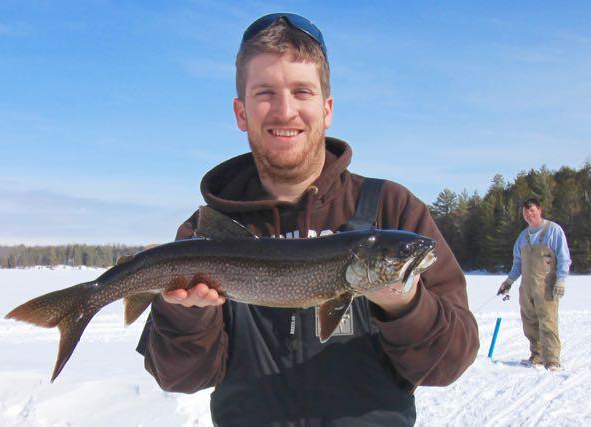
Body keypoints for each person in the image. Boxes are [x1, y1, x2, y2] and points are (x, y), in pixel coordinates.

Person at [139, 13, 479, 426]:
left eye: (302, 91)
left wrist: (404, 304)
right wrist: (187, 314)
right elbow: (180, 377)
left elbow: (449, 364)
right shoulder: (206, 232)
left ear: (327, 107)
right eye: (265, 93)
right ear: (241, 112)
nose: (285, 111)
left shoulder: (393, 209)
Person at [497, 197, 571, 371]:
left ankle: (552, 360)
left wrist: (561, 280)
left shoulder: (553, 231)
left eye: (532, 211)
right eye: (525, 212)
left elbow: (564, 258)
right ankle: (536, 356)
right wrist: (508, 281)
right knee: (530, 323)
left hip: (547, 287)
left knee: (548, 322)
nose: (529, 215)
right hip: (527, 288)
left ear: (539, 210)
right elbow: (517, 264)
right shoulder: (523, 237)